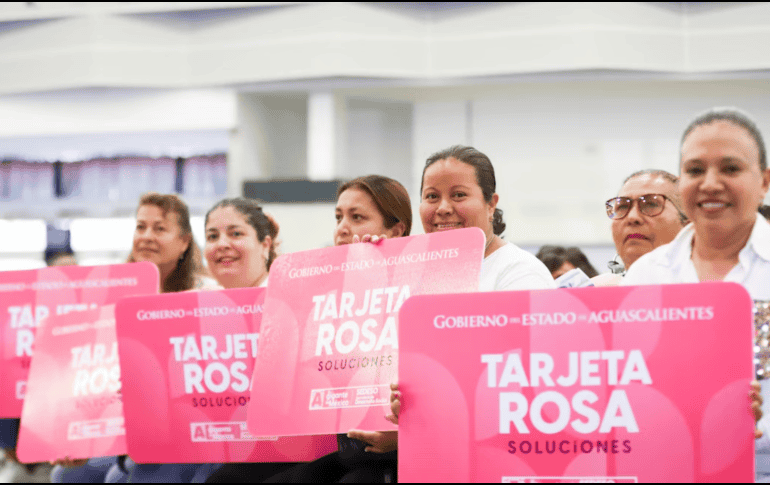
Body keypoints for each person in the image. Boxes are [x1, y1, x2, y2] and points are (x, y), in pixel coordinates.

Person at [620, 108, 768, 480]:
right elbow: (621, 386)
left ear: (764, 182)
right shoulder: (646, 276)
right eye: (695, 170)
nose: (710, 183)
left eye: (730, 169)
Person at [264, 175, 410, 483]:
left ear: (396, 230)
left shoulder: (419, 285)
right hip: (346, 447)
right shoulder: (327, 293)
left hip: (400, 452)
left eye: (357, 217)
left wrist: (379, 273)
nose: (342, 228)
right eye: (338, 217)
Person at [199, 198, 295, 483]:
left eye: (236, 233)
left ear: (265, 244)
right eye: (212, 236)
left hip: (275, 449)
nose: (222, 243)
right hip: (207, 445)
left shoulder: (291, 300)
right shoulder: (195, 309)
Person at [418, 145, 554, 291]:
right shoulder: (413, 274)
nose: (443, 208)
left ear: (490, 205)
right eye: (432, 196)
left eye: (459, 195)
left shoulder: (522, 274)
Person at [593, 169, 689, 286]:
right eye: (622, 206)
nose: (632, 217)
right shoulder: (593, 293)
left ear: (687, 222)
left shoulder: (709, 288)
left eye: (651, 204)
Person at [127, 192, 215, 293]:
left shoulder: (205, 294)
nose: (146, 237)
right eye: (141, 227)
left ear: (184, 241)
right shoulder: (112, 289)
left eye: (159, 228)